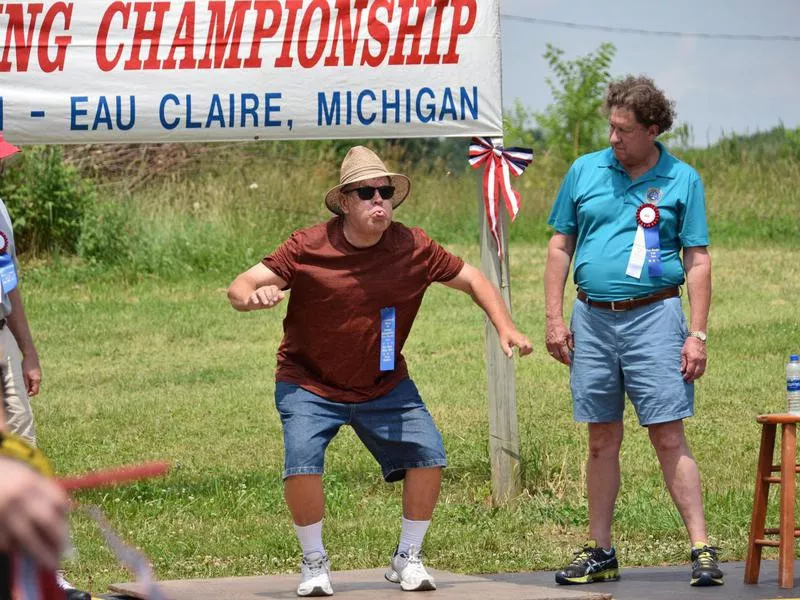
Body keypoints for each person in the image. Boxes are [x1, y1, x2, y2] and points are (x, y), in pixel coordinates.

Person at [228, 145, 532, 597]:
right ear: (345, 202)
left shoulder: (414, 246)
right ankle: (314, 563)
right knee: (301, 465)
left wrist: (505, 326)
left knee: (429, 455)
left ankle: (407, 557)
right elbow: (240, 286)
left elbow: (473, 279)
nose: (378, 200)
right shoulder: (308, 245)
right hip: (308, 382)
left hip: (384, 383)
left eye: (385, 191)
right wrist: (253, 297)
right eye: (366, 192)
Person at [544, 76, 723, 588]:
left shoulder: (682, 179)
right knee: (601, 439)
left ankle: (701, 548)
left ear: (654, 128)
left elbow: (698, 258)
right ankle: (601, 551)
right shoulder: (584, 171)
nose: (614, 137)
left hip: (655, 319)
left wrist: (697, 334)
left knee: (668, 434)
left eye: (624, 130)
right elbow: (560, 246)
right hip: (592, 320)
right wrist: (556, 319)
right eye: (610, 127)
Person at [0, 135, 90, 600]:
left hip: (1, 338)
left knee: (22, 452)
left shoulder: (0, 209)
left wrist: (26, 349)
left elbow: (8, 279)